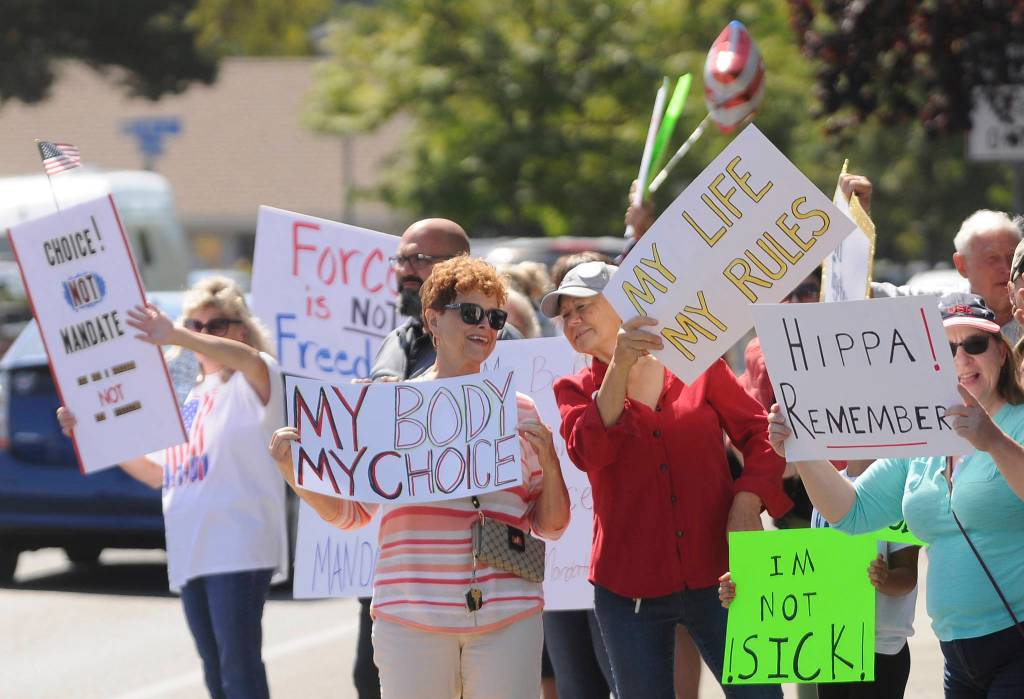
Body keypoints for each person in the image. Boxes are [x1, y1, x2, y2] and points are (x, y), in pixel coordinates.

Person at [271, 256, 571, 699]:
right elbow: (351, 515)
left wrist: (550, 457)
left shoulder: (521, 409)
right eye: (470, 313)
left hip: (509, 615)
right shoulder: (388, 407)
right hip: (411, 620)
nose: (485, 327)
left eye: (495, 317)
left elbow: (553, 524)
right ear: (432, 318)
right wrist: (294, 474)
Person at [541, 260, 790, 699]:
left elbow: (760, 433)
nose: (573, 320)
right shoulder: (573, 389)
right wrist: (619, 366)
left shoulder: (696, 363)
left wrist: (748, 497)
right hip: (628, 588)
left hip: (723, 576)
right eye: (566, 315)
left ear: (624, 303)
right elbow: (590, 452)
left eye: (584, 306)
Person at [765, 292, 1024, 698]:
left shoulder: (1019, 419)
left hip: (1016, 639)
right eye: (945, 348)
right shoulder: (922, 436)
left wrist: (992, 441)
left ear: (1002, 352)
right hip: (957, 651)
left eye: (975, 344)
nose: (961, 359)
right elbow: (851, 514)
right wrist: (804, 450)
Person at [58, 278, 288, 699]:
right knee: (217, 674)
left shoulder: (255, 380)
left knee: (239, 670)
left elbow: (251, 360)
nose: (203, 332)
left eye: (217, 323)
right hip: (192, 551)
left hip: (237, 546)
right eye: (194, 323)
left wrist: (177, 334)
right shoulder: (187, 398)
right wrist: (87, 433)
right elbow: (157, 473)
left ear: (241, 329)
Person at [719, 456, 921, 699]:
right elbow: (811, 573)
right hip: (831, 649)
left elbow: (908, 576)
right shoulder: (825, 492)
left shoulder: (898, 489)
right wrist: (749, 584)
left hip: (881, 651)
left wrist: (885, 579)